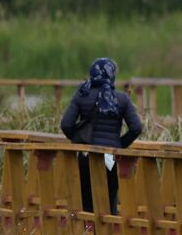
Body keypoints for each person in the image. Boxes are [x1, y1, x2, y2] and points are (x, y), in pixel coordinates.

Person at [58, 57, 146, 214]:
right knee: (109, 202)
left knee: (86, 203)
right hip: (110, 158)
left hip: (86, 155)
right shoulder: (121, 98)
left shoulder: (81, 95)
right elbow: (136, 128)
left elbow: (66, 124)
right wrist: (119, 144)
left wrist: (78, 141)